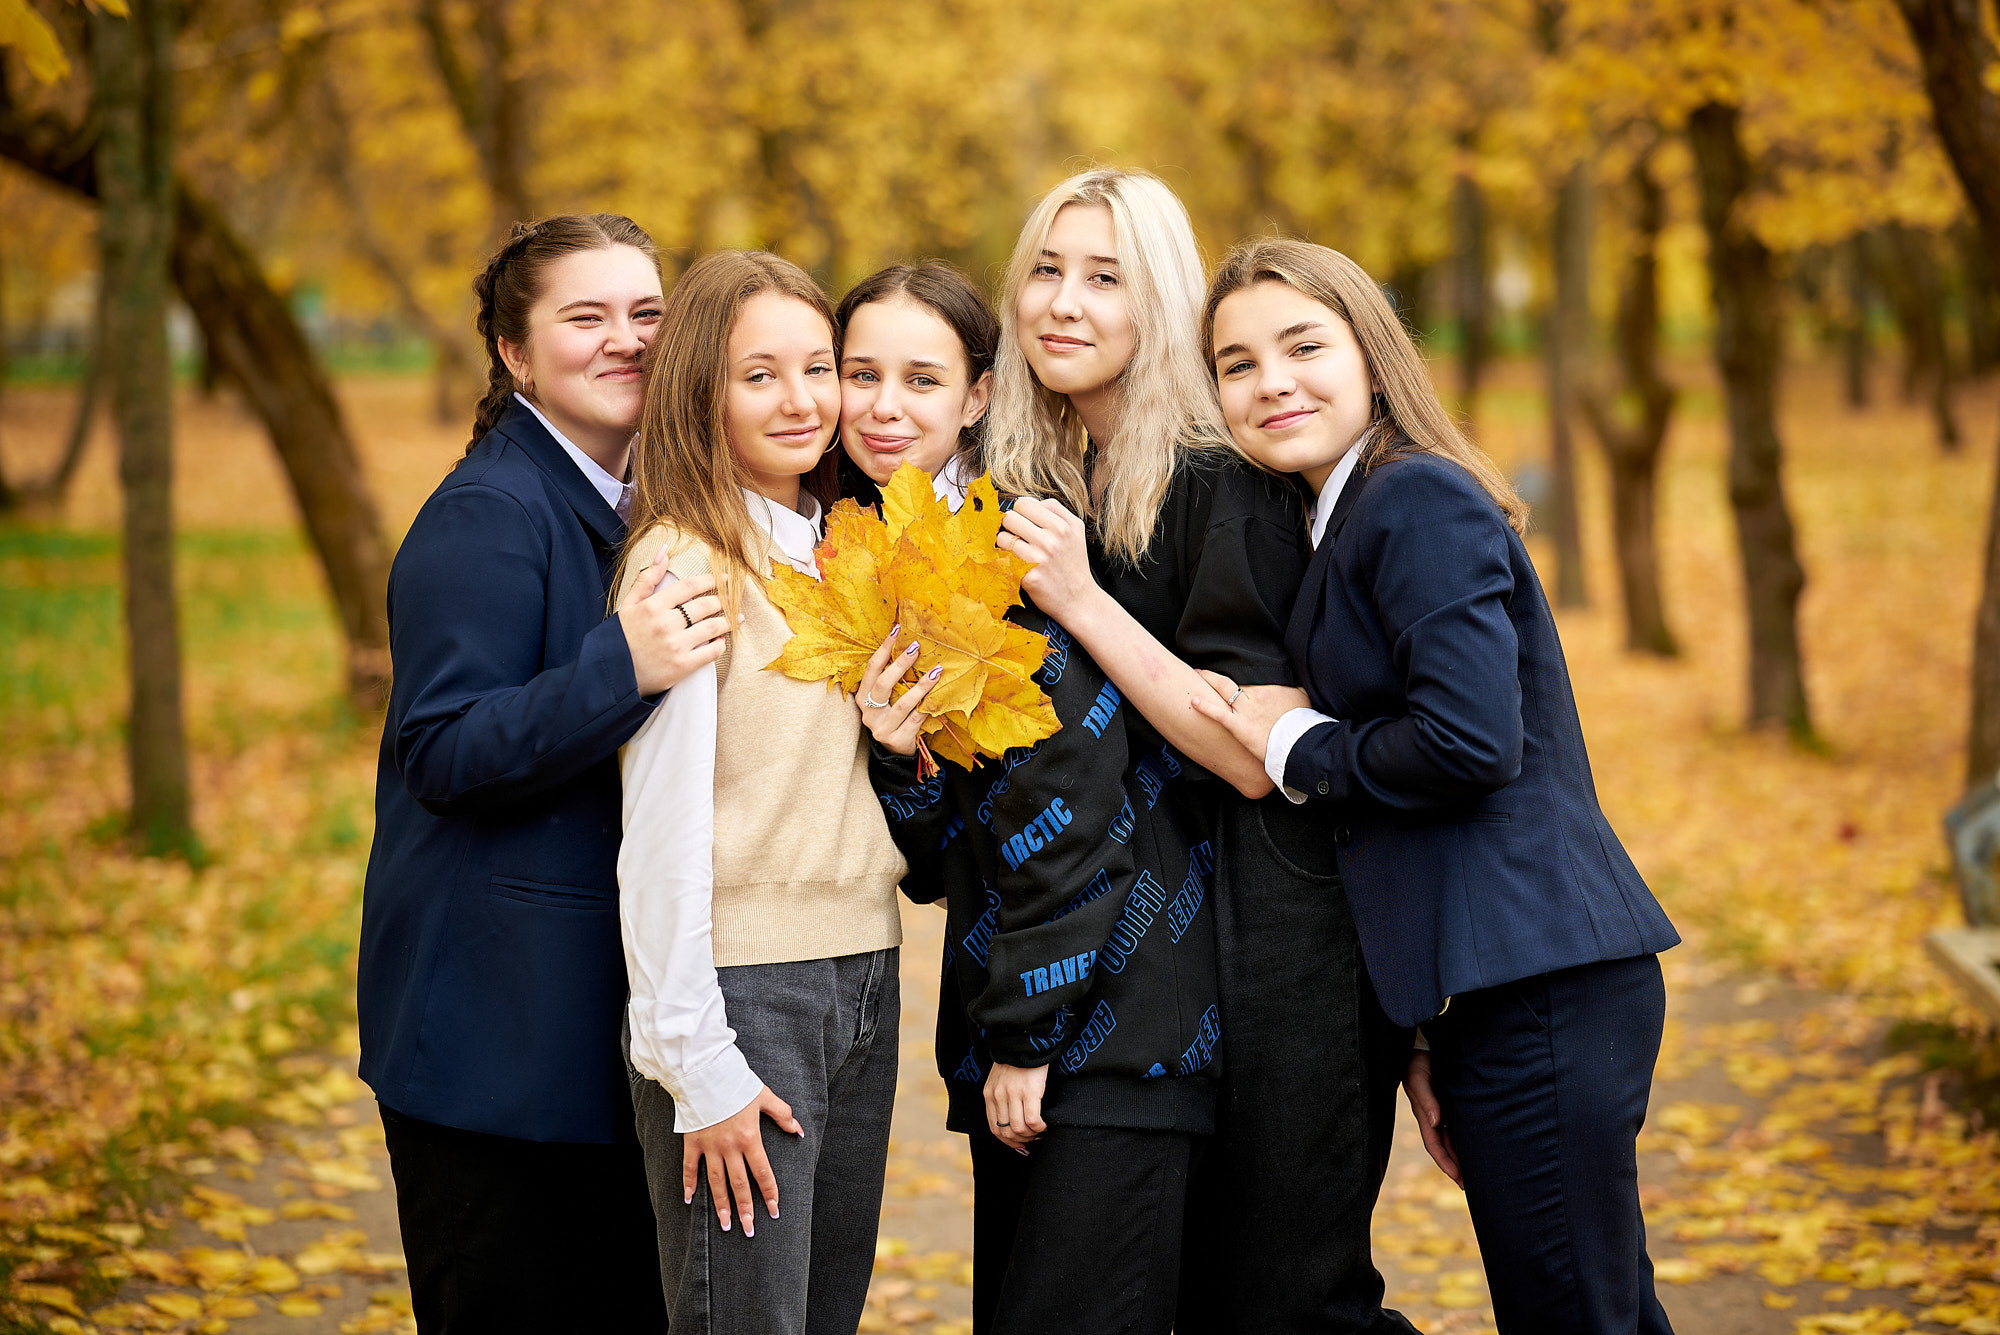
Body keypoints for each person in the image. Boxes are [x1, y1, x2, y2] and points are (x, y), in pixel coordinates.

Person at [1190, 237, 1682, 1335]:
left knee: (1576, 1314)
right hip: (1490, 987)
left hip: (1541, 979)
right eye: (1236, 364)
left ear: (1372, 355)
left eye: (1302, 346)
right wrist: (1422, 1028)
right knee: (1590, 1308)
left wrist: (1294, 743)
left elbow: (1468, 744)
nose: (1271, 382)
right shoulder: (1343, 515)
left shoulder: (1412, 498)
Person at [863, 167, 1260, 1335]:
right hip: (1027, 1007)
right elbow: (967, 827)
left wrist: (1030, 1028)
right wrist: (900, 760)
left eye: (1104, 278)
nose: (1063, 302)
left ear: (1160, 302)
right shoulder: (1020, 497)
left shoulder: (1212, 487)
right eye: (1045, 269)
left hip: (1137, 1013)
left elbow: (1228, 761)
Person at [359, 213, 727, 1333]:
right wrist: (624, 665)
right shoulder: (488, 513)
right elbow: (441, 749)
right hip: (494, 1050)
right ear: (515, 353)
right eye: (586, 317)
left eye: (647, 312)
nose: (626, 339)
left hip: (586, 1044)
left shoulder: (643, 503)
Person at [614, 249, 908, 1335]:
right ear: (702, 392)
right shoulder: (687, 566)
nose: (802, 401)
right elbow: (658, 830)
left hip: (862, 972)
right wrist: (698, 1064)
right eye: (759, 375)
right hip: (747, 995)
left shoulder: (835, 550)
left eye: (818, 367)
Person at [834, 259, 997, 509]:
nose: (884, 408)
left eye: (922, 381)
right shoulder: (812, 514)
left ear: (976, 399)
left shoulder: (1014, 524)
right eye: (865, 376)